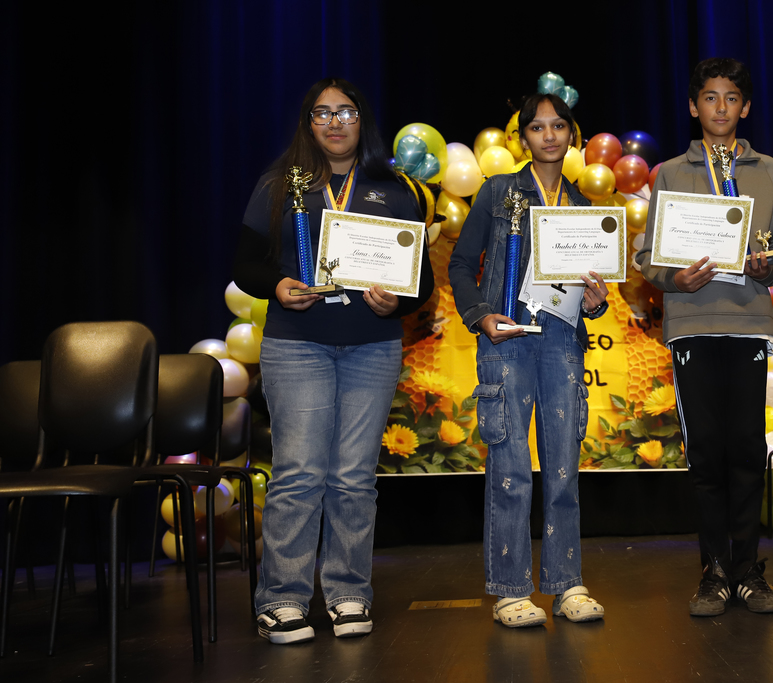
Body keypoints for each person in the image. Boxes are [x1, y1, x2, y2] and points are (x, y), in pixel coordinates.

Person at [233, 77, 434, 644]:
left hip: (372, 347)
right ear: (308, 123)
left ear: (361, 121)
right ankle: (282, 600)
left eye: (345, 112)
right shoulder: (279, 185)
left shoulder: (395, 190)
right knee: (299, 475)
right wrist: (275, 285)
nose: (334, 122)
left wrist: (400, 298)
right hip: (298, 345)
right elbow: (246, 263)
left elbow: (423, 282)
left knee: (353, 479)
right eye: (322, 113)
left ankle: (348, 592)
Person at [636, 58, 773, 616]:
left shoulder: (767, 169)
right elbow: (645, 256)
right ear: (693, 106)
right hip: (692, 325)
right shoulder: (670, 172)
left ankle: (749, 569)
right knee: (705, 452)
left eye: (732, 98)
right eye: (710, 97)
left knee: (749, 449)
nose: (721, 107)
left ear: (745, 107)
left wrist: (768, 265)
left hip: (749, 322)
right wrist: (672, 277)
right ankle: (714, 571)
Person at [449, 92, 609, 628]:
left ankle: (567, 584)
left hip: (562, 342)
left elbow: (594, 292)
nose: (548, 135)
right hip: (507, 341)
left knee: (563, 470)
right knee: (511, 468)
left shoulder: (584, 209)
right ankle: (512, 590)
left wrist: (597, 299)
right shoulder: (498, 192)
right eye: (537, 128)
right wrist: (480, 315)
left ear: (571, 135)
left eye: (558, 126)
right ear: (523, 139)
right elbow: (460, 264)